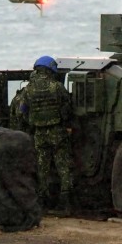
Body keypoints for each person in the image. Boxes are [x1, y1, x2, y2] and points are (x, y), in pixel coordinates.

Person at [20, 56, 75, 211]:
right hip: (57, 131)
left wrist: (32, 124)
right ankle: (66, 203)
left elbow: (22, 111)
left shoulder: (28, 90)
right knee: (63, 166)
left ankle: (42, 203)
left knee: (42, 167)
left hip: (40, 134)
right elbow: (67, 108)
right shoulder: (57, 87)